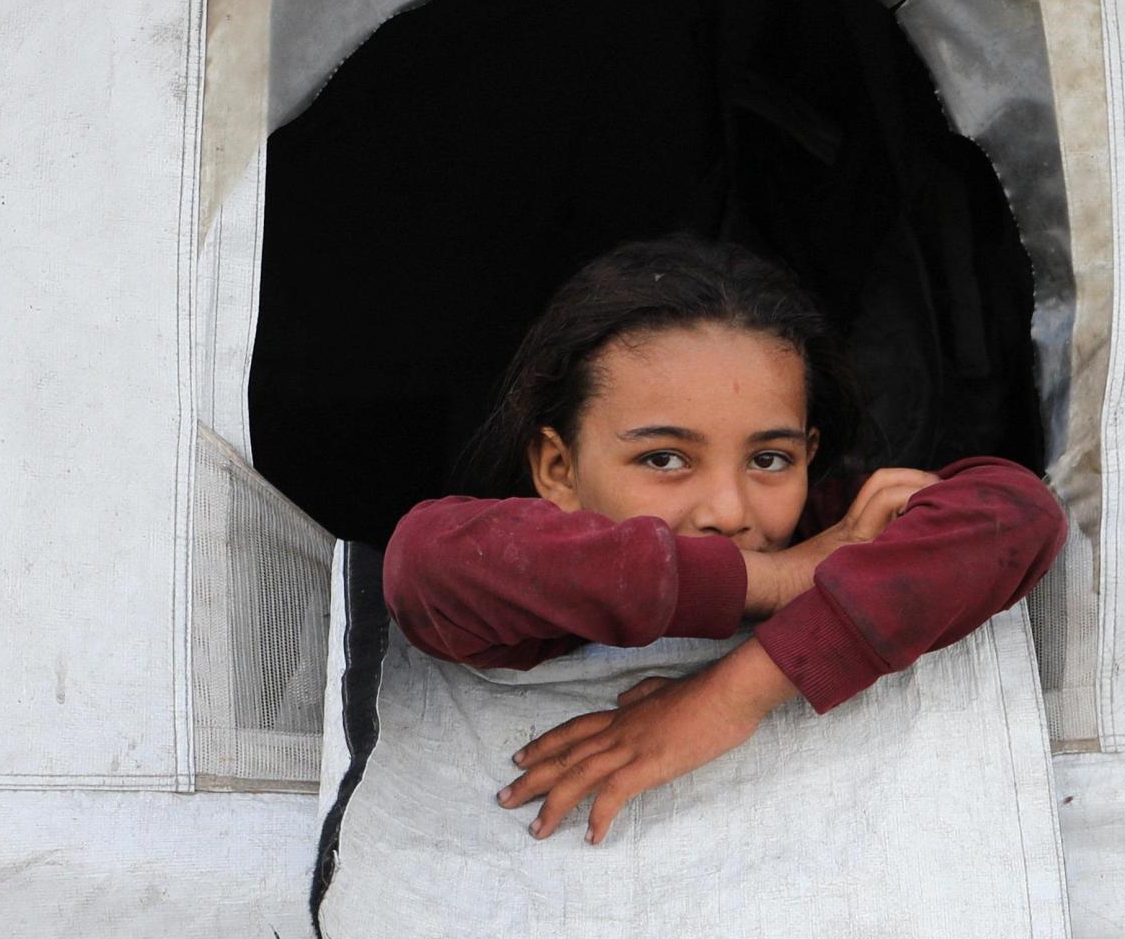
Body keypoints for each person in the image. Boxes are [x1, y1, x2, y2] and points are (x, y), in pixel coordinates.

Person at [382, 236, 1066, 847]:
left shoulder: (832, 528)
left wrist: (726, 699)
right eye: (663, 459)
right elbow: (424, 563)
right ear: (558, 470)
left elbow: (1018, 515)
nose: (729, 510)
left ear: (810, 453)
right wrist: (777, 580)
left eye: (770, 460)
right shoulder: (531, 588)